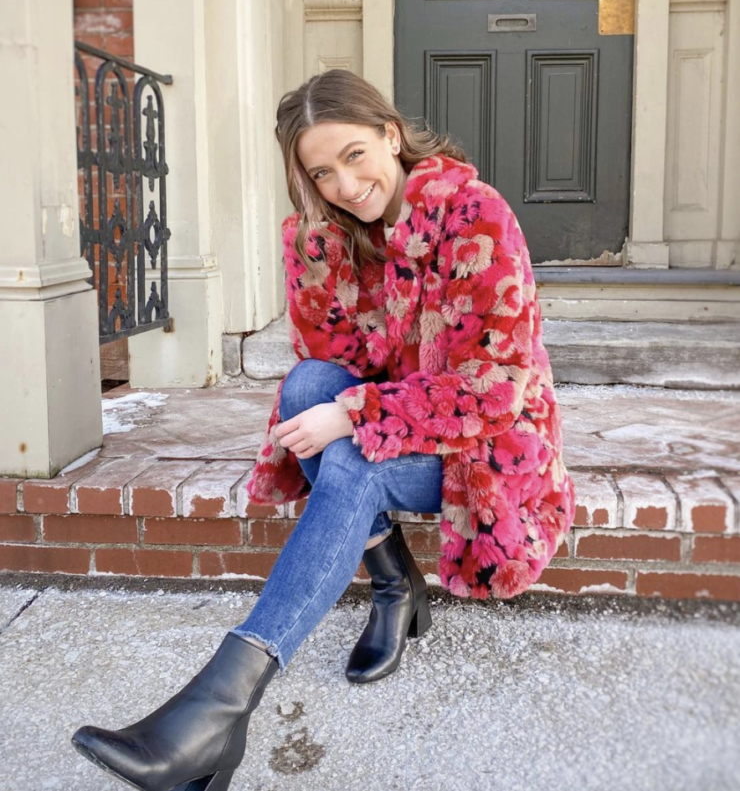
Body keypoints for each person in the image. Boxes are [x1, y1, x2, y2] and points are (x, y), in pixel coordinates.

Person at [71, 69, 576, 791]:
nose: (345, 182)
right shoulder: (334, 229)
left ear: (390, 137)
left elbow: (492, 390)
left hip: (486, 450)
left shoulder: (475, 216)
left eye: (355, 156)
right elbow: (333, 365)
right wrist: (319, 248)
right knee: (309, 390)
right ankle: (397, 586)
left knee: (353, 457)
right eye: (321, 172)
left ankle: (218, 707)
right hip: (406, 419)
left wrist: (357, 415)